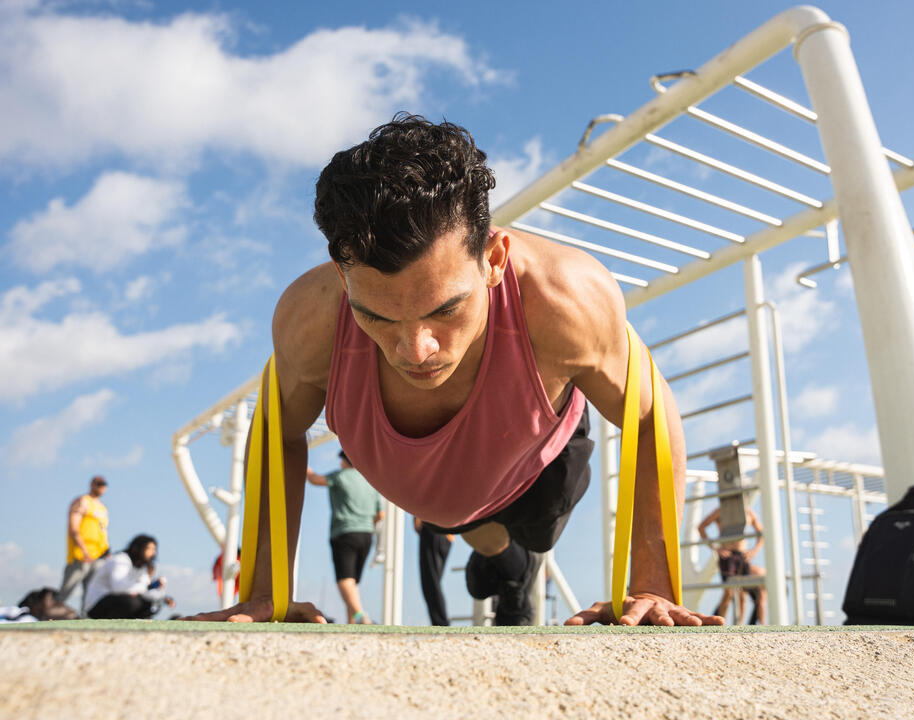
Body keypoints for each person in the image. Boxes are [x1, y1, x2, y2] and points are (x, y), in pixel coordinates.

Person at [185, 113, 722, 627]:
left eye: (445, 310)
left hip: (536, 472)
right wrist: (261, 593)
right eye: (375, 315)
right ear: (342, 277)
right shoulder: (309, 316)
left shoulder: (565, 298)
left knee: (529, 540)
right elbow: (277, 432)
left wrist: (654, 586)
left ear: (494, 258)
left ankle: (515, 568)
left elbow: (650, 415)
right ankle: (507, 568)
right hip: (438, 497)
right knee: (465, 527)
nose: (415, 350)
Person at [307, 450, 385, 624]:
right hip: (366, 535)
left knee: (344, 580)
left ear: (345, 461)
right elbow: (381, 514)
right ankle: (351, 623)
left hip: (344, 532)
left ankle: (360, 617)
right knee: (353, 582)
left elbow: (315, 480)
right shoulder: (370, 482)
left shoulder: (340, 476)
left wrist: (301, 463)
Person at [697, 506, 766, 624]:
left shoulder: (749, 512)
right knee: (728, 592)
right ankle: (720, 625)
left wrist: (754, 551)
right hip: (727, 556)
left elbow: (761, 533)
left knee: (742, 594)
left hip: (743, 555)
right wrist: (715, 548)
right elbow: (701, 527)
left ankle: (740, 626)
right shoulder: (721, 511)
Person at [84, 534, 174, 619]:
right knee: (132, 602)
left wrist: (161, 595)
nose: (153, 553)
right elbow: (119, 587)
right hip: (97, 604)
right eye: (149, 549)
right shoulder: (120, 559)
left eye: (154, 549)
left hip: (119, 601)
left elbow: (145, 590)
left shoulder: (142, 567)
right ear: (138, 548)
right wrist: (146, 588)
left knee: (152, 604)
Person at [57, 475, 110, 614]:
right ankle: (48, 615)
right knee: (67, 589)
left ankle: (85, 622)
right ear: (92, 484)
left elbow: (103, 531)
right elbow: (73, 527)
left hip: (98, 556)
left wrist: (107, 552)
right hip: (81, 555)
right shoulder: (82, 501)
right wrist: (83, 549)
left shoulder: (103, 508)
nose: (101, 487)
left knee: (90, 594)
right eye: (98, 483)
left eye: (103, 484)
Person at [415, 516, 453, 626]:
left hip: (432, 529)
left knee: (430, 583)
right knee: (434, 582)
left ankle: (441, 624)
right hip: (447, 533)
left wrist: (418, 522)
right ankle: (441, 623)